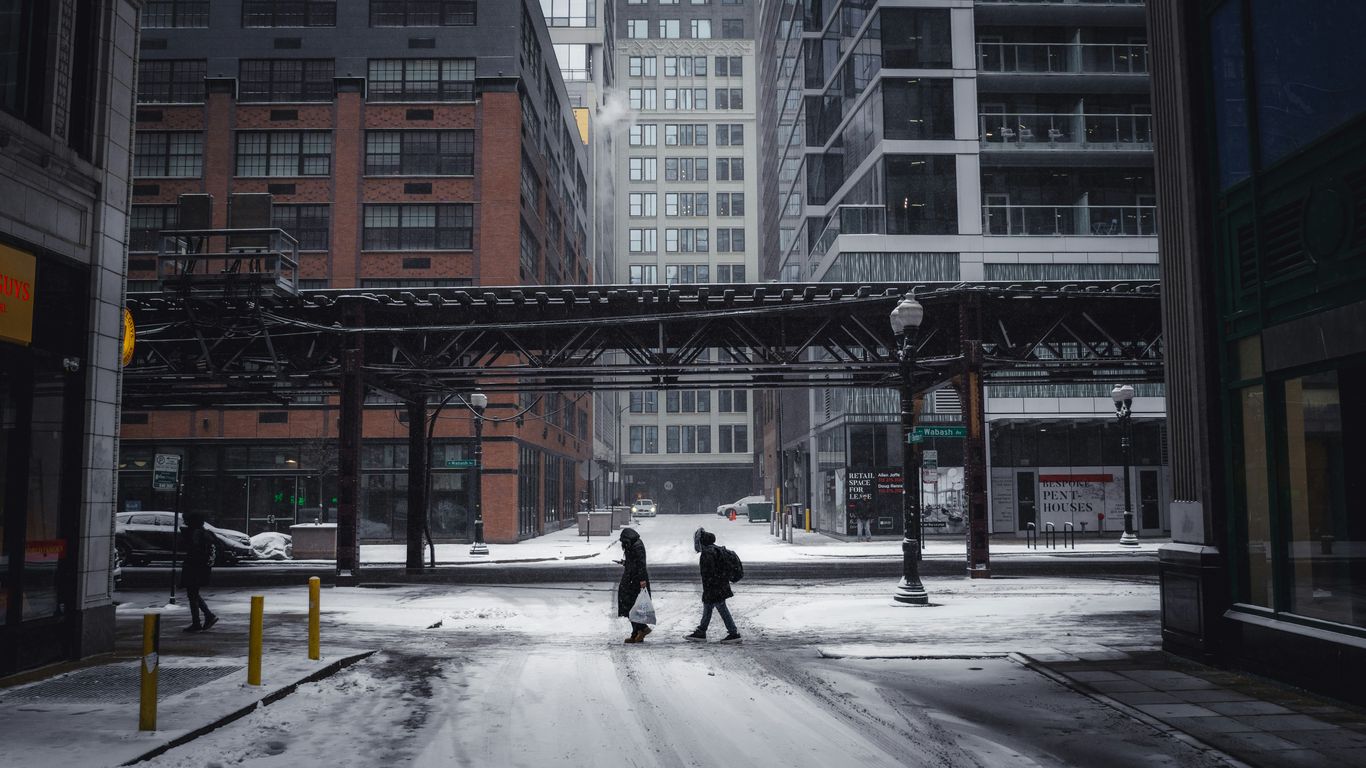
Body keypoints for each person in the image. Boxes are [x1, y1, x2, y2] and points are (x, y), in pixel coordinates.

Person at [686, 528, 741, 643]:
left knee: (721, 608)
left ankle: (733, 633)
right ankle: (701, 631)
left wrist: (710, 589)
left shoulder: (708, 554)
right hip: (719, 586)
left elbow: (709, 573)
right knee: (708, 607)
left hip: (714, 587)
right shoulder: (716, 550)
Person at [181, 511, 218, 632]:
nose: (184, 522)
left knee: (192, 594)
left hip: (194, 568)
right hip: (201, 568)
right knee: (193, 594)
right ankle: (207, 616)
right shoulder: (205, 533)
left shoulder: (196, 534)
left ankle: (199, 621)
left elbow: (193, 550)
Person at [616, 527, 651, 643]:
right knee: (632, 607)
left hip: (635, 581)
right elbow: (634, 563)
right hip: (631, 579)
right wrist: (625, 563)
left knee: (633, 607)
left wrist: (642, 580)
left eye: (623, 542)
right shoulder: (634, 545)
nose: (622, 545)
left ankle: (642, 629)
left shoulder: (637, 546)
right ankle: (636, 633)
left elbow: (641, 564)